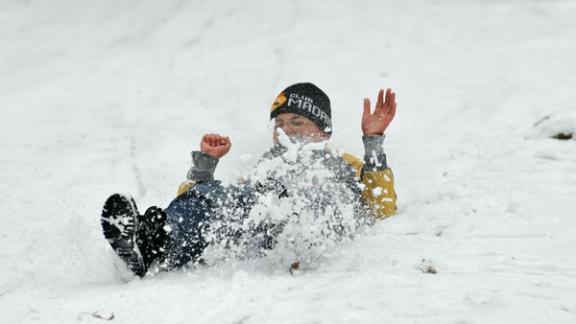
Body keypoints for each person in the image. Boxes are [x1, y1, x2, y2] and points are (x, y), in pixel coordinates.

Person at [101, 82, 397, 277]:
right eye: (279, 123)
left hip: (314, 231)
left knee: (280, 192)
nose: (286, 130)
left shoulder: (343, 162)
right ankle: (154, 241)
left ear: (323, 130)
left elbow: (380, 208)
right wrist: (206, 166)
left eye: (297, 122)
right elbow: (214, 203)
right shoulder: (267, 164)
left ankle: (154, 244)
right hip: (268, 233)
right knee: (221, 195)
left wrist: (373, 142)